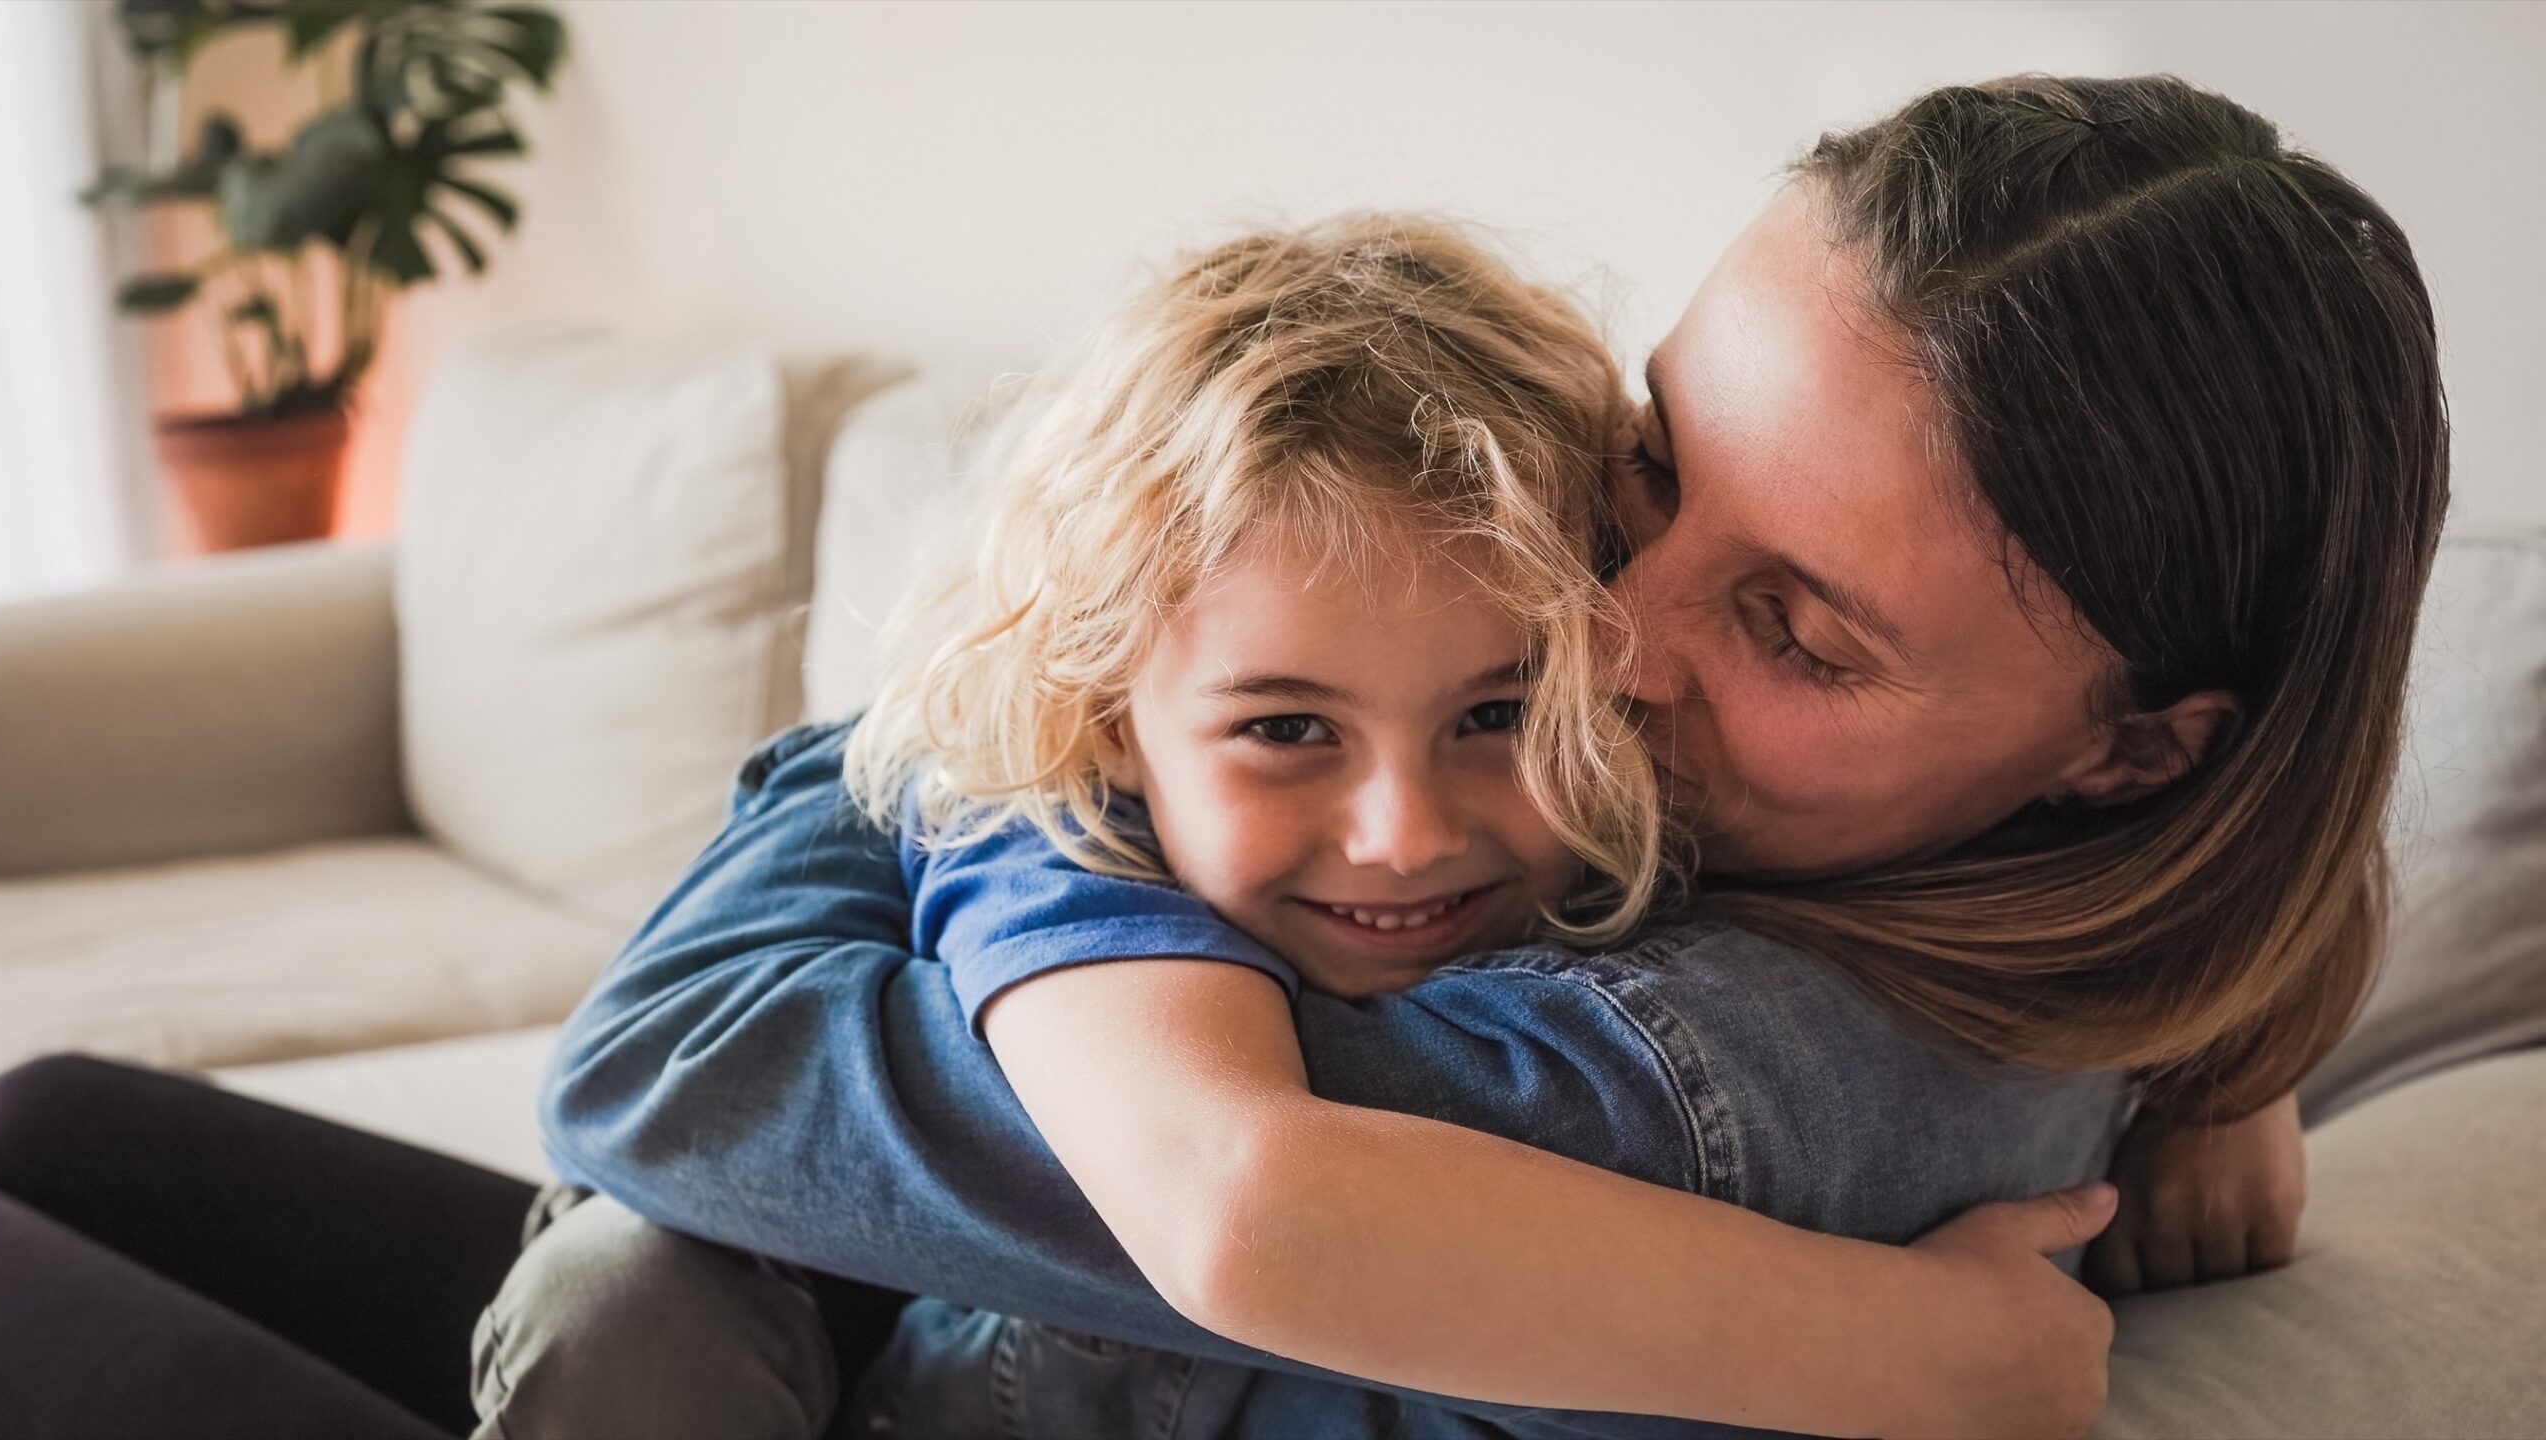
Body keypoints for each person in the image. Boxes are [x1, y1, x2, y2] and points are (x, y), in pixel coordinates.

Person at [0, 72, 2446, 1440]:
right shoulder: (1969, 875)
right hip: (899, 1335)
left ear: (2137, 754)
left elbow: (683, 1068)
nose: (1604, 633)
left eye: (1789, 623)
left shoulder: (1693, 1075)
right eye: (1652, 469)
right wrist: (2234, 1040)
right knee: (57, 1116)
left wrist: (1043, 738)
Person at [470, 211, 2132, 1440]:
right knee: (615, 1288)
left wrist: (2232, 1062)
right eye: (1286, 729)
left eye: (1499, 713)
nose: (1404, 834)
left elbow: (677, 1064)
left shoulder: (1683, 1002)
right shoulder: (1091, 840)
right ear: (1107, 715)